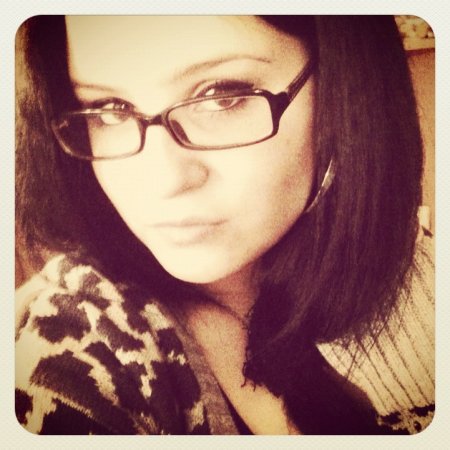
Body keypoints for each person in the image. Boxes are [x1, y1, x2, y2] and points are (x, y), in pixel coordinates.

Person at [15, 15, 434, 435]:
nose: (162, 180)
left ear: (345, 88)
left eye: (222, 96)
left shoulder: (424, 282)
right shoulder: (75, 335)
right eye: (109, 111)